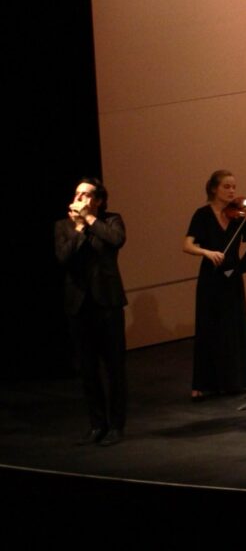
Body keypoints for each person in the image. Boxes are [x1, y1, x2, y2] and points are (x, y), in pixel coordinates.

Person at [55, 178, 128, 446]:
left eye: (85, 195)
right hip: (79, 305)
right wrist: (78, 228)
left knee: (115, 368)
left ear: (98, 200)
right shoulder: (63, 226)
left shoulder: (111, 220)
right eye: (77, 194)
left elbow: (116, 241)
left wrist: (89, 220)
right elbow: (63, 257)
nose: (79, 198)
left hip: (107, 303)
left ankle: (117, 426)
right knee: (87, 369)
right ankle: (97, 424)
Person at [181, 170, 246, 401]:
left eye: (234, 187)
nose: (232, 191)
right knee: (209, 327)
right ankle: (203, 382)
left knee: (233, 327)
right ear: (214, 188)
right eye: (227, 187)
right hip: (211, 277)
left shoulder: (238, 216)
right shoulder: (202, 214)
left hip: (233, 274)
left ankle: (234, 380)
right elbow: (187, 245)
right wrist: (207, 252)